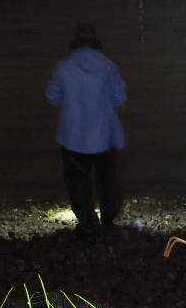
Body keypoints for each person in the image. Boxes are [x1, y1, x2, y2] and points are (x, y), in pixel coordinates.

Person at [45, 24, 127, 243]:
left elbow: (52, 97)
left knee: (77, 181)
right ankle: (108, 220)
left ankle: (86, 225)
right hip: (103, 136)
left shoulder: (62, 67)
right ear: (96, 41)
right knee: (106, 180)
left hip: (73, 137)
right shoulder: (108, 66)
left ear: (74, 42)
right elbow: (120, 98)